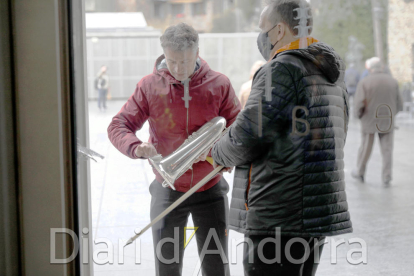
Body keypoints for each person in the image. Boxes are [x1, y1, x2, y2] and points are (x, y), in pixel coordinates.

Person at [211, 1, 352, 275]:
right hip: (316, 210)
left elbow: (248, 135)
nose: (261, 36)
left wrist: (217, 152)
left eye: (262, 29)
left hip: (278, 212)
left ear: (277, 31)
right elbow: (340, 133)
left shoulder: (281, 69)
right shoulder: (331, 72)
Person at [107, 23, 240, 276]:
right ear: (163, 54)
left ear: (198, 52)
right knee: (167, 268)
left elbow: (238, 130)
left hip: (210, 188)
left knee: (216, 267)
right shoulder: (149, 86)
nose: (178, 70)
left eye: (185, 62)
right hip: (166, 189)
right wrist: (136, 147)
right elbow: (118, 125)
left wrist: (219, 155)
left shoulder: (220, 84)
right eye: (172, 61)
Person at [352, 58, 403, 185]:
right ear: (382, 67)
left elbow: (358, 104)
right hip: (387, 120)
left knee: (365, 148)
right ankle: (387, 176)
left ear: (370, 69)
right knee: (387, 150)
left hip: (369, 120)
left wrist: (359, 116)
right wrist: (391, 114)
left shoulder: (364, 82)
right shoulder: (393, 82)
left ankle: (360, 172)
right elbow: (400, 104)